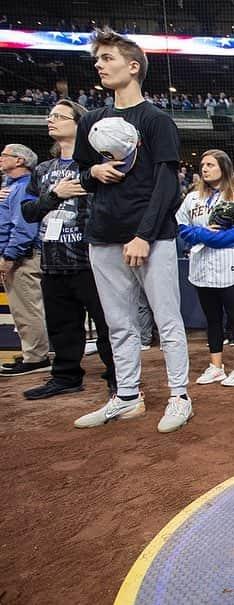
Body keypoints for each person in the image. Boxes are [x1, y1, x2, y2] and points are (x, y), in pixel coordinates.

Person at [72, 28, 192, 433]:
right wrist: (91, 170)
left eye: (108, 58)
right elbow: (79, 176)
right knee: (118, 322)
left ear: (133, 66)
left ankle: (180, 396)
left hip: (152, 236)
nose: (99, 65)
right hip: (103, 233)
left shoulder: (156, 120)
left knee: (167, 319)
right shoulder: (91, 120)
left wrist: (144, 234)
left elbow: (166, 184)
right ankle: (127, 397)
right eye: (98, 59)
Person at [19, 100, 115, 398]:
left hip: (91, 258)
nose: (51, 120)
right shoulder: (42, 170)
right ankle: (65, 376)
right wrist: (55, 195)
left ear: (79, 124)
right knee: (61, 325)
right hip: (52, 259)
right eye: (50, 116)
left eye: (59, 116)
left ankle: (118, 377)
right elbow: (28, 211)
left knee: (107, 325)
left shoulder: (94, 165)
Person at [176, 149, 234, 387]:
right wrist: (201, 233)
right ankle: (216, 366)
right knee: (212, 320)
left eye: (210, 164)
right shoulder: (192, 198)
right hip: (201, 267)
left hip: (230, 266)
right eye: (203, 165)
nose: (205, 169)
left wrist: (200, 236)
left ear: (224, 168)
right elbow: (180, 227)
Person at [0, 143, 51, 378]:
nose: (1, 158)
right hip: (19, 253)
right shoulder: (12, 187)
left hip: (23, 256)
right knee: (23, 308)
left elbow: (22, 227)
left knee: (27, 308)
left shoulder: (22, 187)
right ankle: (33, 351)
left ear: (20, 161)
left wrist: (10, 256)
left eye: (5, 155)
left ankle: (36, 357)